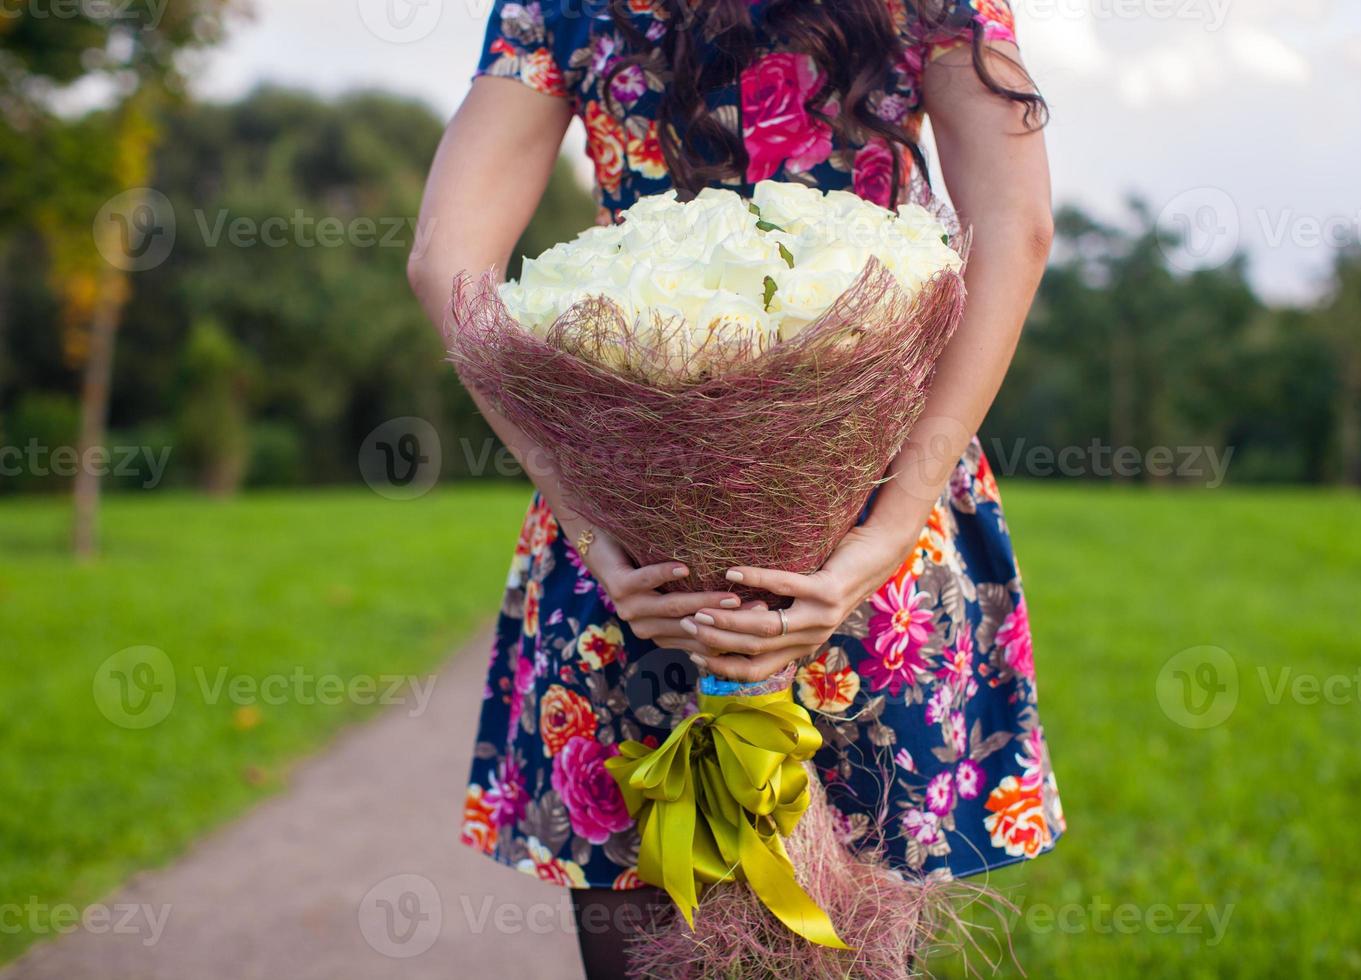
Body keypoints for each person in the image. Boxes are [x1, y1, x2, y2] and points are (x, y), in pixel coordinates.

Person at [409, 2, 1063, 976]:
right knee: (861, 948)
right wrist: (884, 535)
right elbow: (1018, 229)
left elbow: (444, 267)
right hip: (873, 527)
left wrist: (591, 523)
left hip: (640, 550)